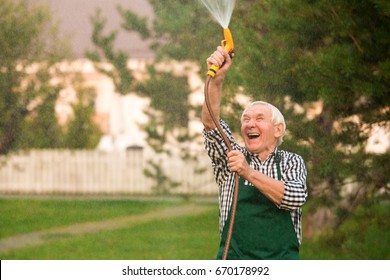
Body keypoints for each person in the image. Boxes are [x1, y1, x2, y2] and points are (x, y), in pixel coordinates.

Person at [202, 46, 308, 260]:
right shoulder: (231, 157)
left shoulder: (291, 161)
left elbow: (294, 197)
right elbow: (210, 123)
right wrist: (217, 79)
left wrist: (248, 173)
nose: (250, 124)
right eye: (246, 119)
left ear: (278, 130)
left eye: (259, 119)